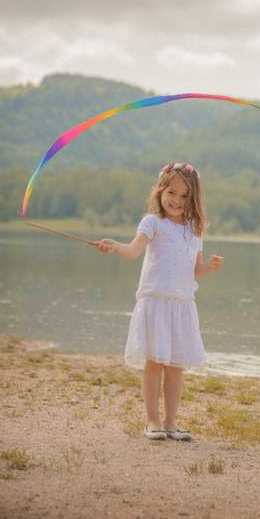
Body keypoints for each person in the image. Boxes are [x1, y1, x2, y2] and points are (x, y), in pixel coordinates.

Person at [96, 162, 224, 441]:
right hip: (156, 303)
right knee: (154, 363)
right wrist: (115, 247)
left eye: (184, 196)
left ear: (193, 198)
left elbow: (196, 271)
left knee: (176, 366)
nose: (176, 200)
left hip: (182, 305)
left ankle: (170, 422)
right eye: (171, 193)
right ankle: (152, 421)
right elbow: (133, 251)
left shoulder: (195, 229)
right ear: (160, 191)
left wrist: (210, 267)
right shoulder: (152, 222)